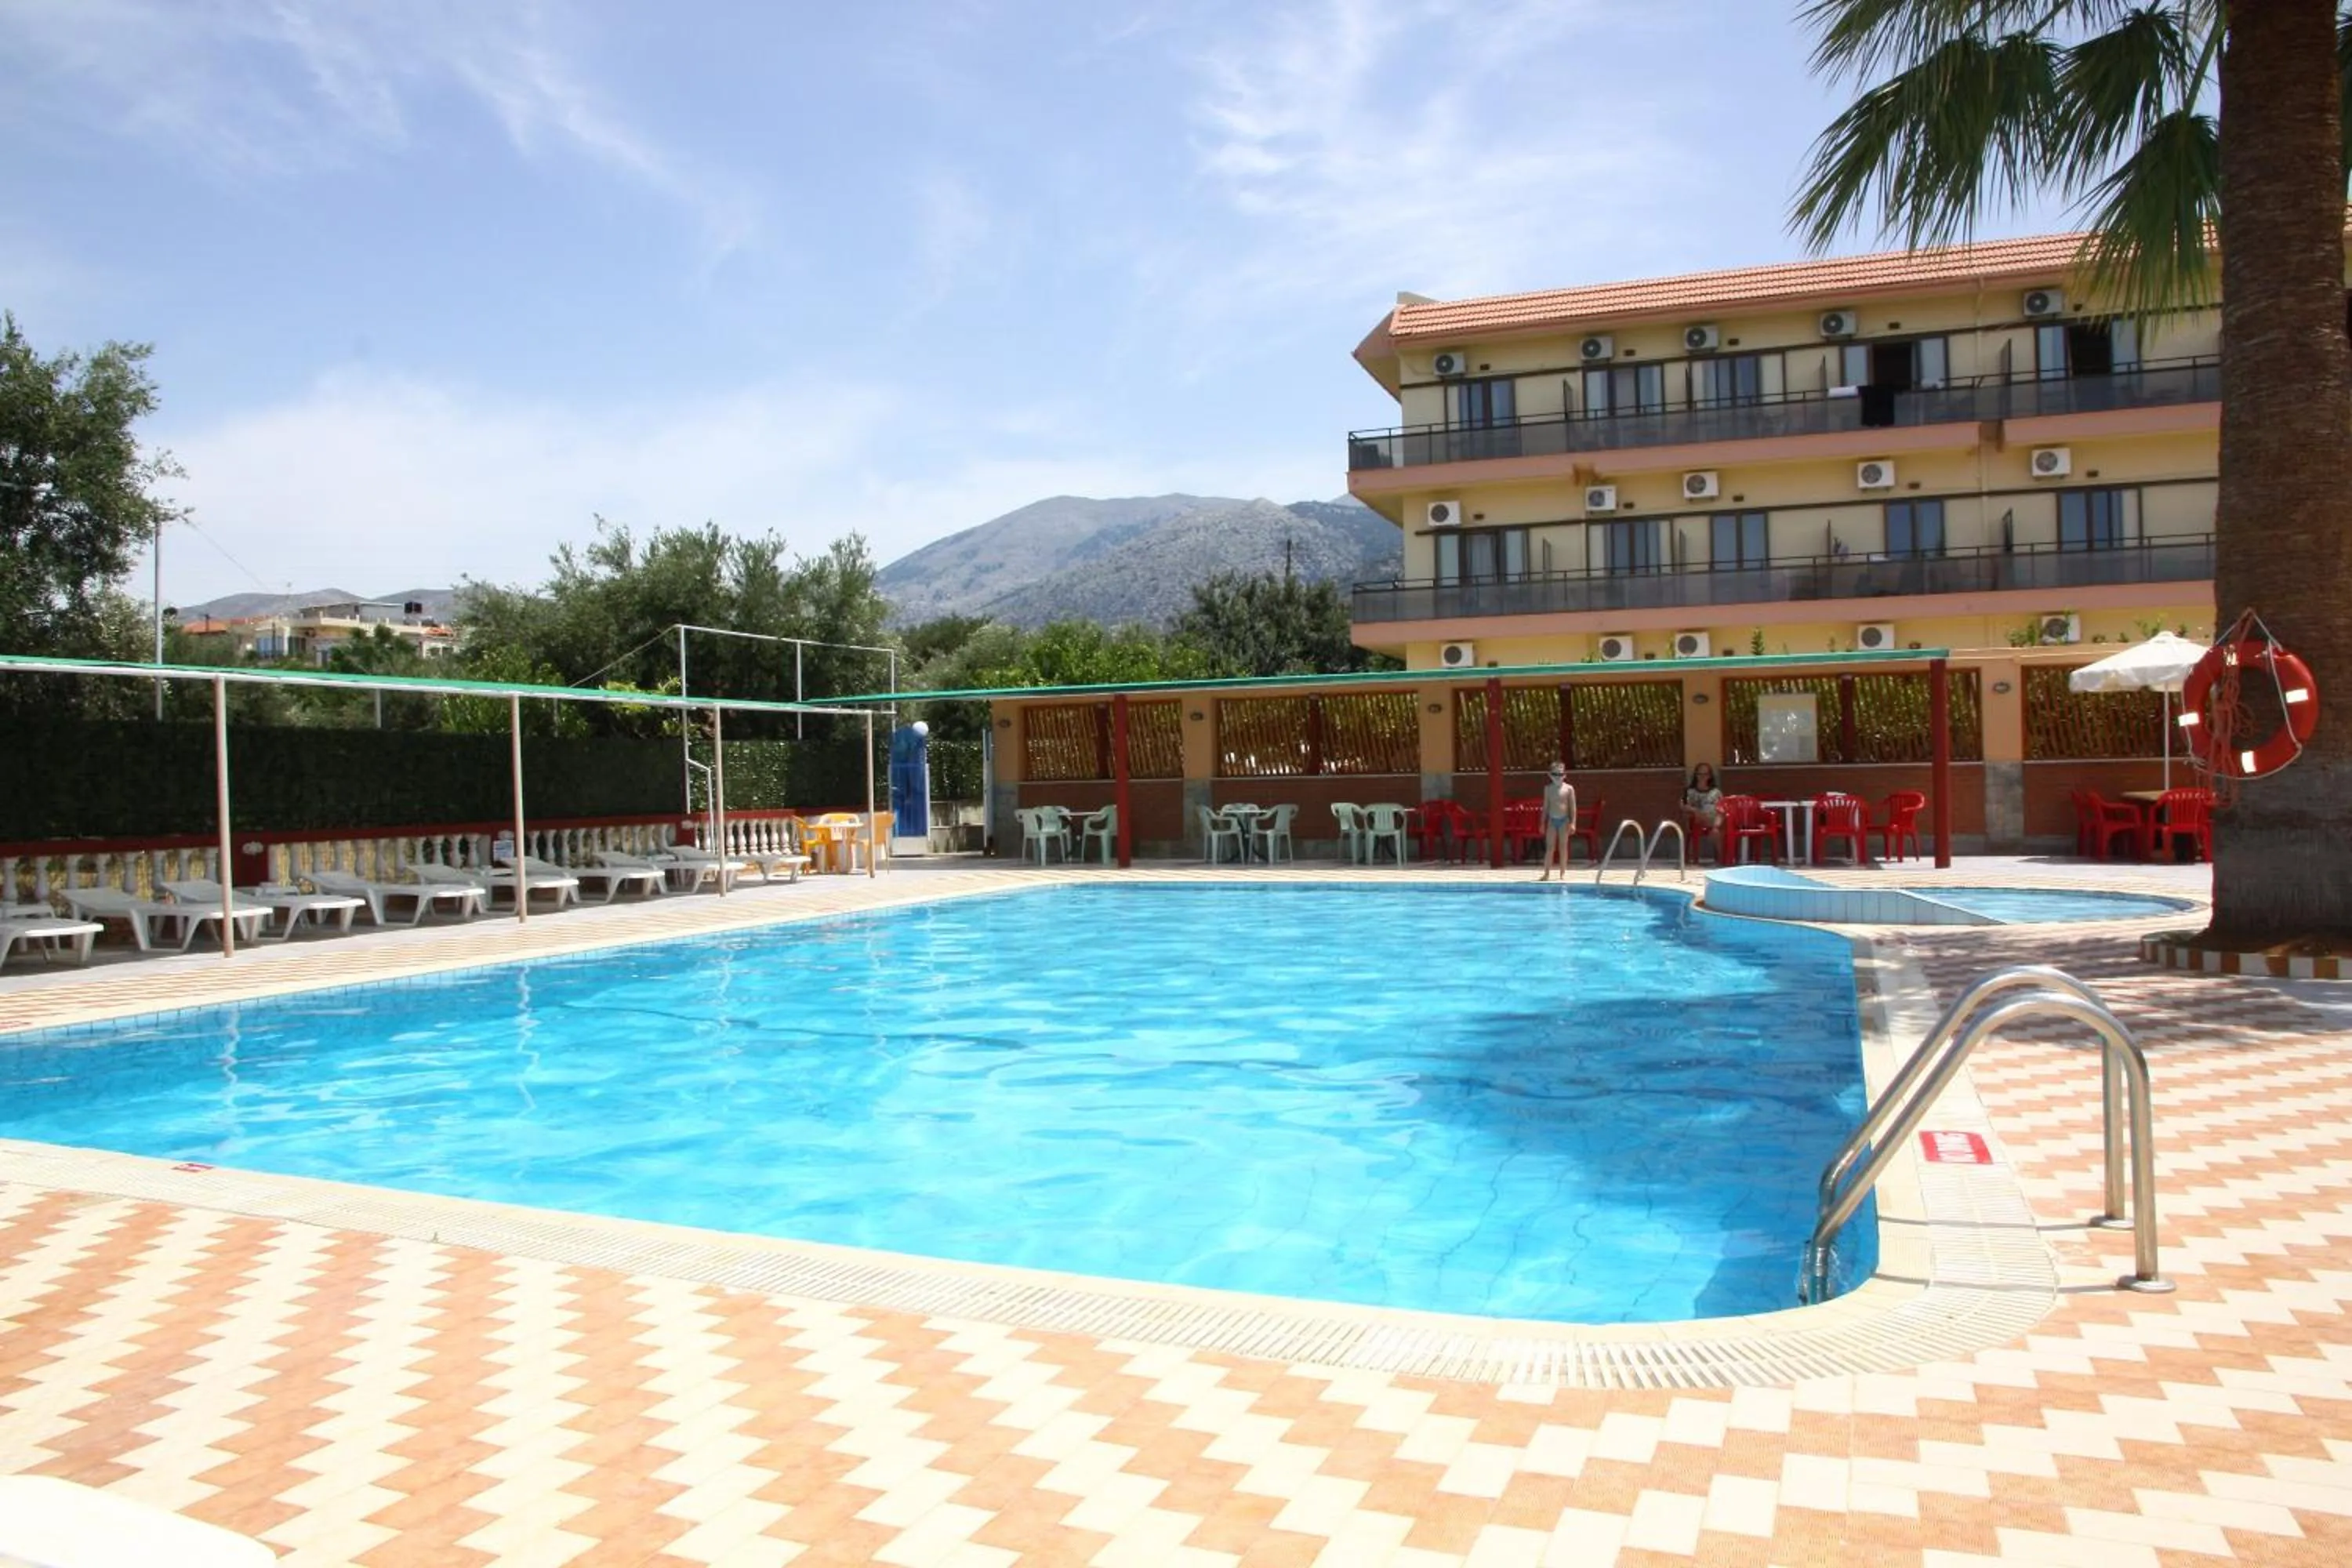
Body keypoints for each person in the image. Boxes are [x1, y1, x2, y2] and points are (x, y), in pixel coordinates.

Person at [1538, 761, 1578, 882]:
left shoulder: (1569, 789)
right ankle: (1546, 873)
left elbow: (1573, 808)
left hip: (1564, 821)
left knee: (1563, 847)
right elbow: (1545, 807)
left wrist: (1573, 823)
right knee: (1550, 848)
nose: (1558, 777)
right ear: (1550, 775)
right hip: (1552, 820)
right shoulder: (1548, 789)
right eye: (1555, 774)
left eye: (1560, 774)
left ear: (1565, 775)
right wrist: (1542, 823)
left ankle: (1563, 873)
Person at [1683, 763, 1725, 862]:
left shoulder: (1716, 792)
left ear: (1710, 776)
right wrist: (1694, 810)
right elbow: (1683, 804)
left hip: (1715, 817)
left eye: (1705, 774)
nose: (1702, 777)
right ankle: (1722, 858)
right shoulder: (1690, 791)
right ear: (1696, 775)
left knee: (1721, 814)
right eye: (1700, 774)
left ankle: (1715, 829)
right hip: (1698, 819)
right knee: (1706, 814)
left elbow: (1722, 806)